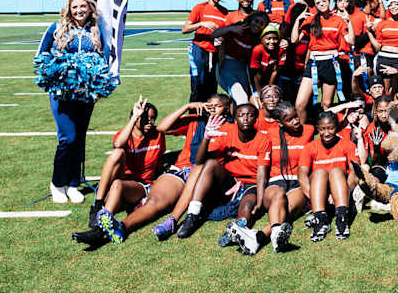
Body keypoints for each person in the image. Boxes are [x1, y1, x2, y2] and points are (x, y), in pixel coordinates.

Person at [40, 0, 106, 204]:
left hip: (86, 94)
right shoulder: (57, 28)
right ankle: (57, 183)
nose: (79, 10)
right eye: (75, 7)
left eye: (83, 6)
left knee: (79, 138)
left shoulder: (96, 30)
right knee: (67, 137)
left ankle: (73, 184)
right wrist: (54, 74)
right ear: (69, 9)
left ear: (89, 8)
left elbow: (103, 59)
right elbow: (41, 55)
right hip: (62, 93)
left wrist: (98, 88)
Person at [71, 97, 165, 246]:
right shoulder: (125, 135)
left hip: (140, 186)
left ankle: (99, 231)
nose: (150, 122)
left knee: (118, 184)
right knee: (117, 153)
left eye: (153, 118)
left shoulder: (158, 135)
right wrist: (135, 117)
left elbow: (159, 162)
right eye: (145, 118)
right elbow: (117, 144)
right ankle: (97, 206)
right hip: (120, 182)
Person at [174, 102, 271, 245]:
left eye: (250, 115)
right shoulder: (227, 133)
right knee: (211, 163)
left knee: (247, 206)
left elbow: (261, 175)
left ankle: (235, 231)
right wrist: (206, 138)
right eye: (241, 115)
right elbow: (199, 160)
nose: (245, 119)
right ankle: (193, 215)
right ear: (235, 118)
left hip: (250, 184)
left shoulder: (263, 140)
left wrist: (260, 200)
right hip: (230, 181)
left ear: (256, 119)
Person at [146, 95, 232, 241]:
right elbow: (161, 127)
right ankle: (169, 219)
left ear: (227, 109)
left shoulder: (231, 126)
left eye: (217, 106)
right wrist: (187, 107)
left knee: (199, 168)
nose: (212, 109)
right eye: (209, 106)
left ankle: (177, 218)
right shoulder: (196, 120)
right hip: (185, 170)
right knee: (156, 201)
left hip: (211, 177)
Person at [257, 101, 310, 252]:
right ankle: (274, 235)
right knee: (279, 194)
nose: (296, 121)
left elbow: (329, 117)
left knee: (287, 210)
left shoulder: (309, 130)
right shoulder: (269, 134)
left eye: (296, 116)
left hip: (297, 182)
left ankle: (260, 237)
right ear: (280, 122)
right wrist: (259, 201)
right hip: (276, 182)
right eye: (289, 119)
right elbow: (262, 166)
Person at [300, 110, 360, 241]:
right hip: (319, 193)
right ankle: (320, 220)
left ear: (337, 128)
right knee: (320, 172)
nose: (326, 133)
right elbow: (302, 176)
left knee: (336, 171)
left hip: (340, 191)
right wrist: (315, 197)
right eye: (322, 129)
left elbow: (355, 173)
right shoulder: (310, 147)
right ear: (317, 129)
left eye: (331, 128)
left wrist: (343, 193)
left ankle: (342, 218)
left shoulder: (348, 145)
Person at [294, 0, 354, 114]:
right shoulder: (311, 19)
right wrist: (298, 20)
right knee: (300, 104)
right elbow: (294, 39)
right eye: (318, 3)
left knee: (326, 105)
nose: (321, 4)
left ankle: (327, 126)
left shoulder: (338, 20)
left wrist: (350, 22)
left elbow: (351, 41)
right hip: (314, 63)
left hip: (331, 63)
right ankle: (304, 127)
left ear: (329, 1)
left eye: (324, 1)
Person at [182, 0, 229, 102]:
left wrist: (222, 39)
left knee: (212, 86)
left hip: (215, 52)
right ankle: (194, 112)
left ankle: (209, 113)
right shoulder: (200, 8)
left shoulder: (225, 12)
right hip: (199, 50)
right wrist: (201, 23)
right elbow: (185, 29)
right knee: (198, 84)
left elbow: (225, 33)